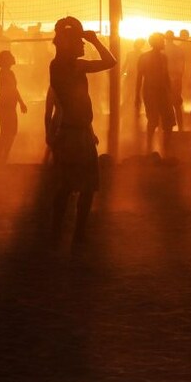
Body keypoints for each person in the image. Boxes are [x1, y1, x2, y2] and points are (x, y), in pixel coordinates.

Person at [47, 17, 115, 246]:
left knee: (74, 187)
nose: (83, 45)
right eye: (80, 42)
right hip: (74, 134)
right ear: (68, 42)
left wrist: (90, 128)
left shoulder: (61, 64)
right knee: (77, 187)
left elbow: (78, 104)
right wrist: (95, 40)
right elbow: (110, 61)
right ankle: (72, 234)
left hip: (78, 132)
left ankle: (63, 233)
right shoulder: (72, 65)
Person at [136, 33, 175, 155]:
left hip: (162, 92)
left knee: (168, 122)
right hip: (150, 92)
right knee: (153, 120)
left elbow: (166, 75)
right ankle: (149, 148)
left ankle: (166, 149)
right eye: (162, 41)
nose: (164, 43)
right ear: (156, 43)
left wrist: (171, 93)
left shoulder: (164, 57)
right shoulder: (144, 57)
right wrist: (136, 96)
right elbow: (139, 77)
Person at [0, 50, 27, 164]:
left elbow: (14, 89)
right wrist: (21, 103)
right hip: (5, 106)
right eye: (10, 57)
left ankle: (3, 157)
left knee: (10, 133)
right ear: (5, 60)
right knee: (7, 133)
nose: (13, 58)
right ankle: (1, 157)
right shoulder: (4, 73)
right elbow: (12, 89)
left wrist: (21, 103)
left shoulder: (8, 72)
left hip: (8, 106)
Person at [164, 30, 186, 130]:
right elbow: (182, 66)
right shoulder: (179, 49)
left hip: (165, 80)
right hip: (176, 79)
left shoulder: (162, 49)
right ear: (173, 37)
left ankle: (165, 128)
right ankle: (181, 128)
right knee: (177, 105)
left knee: (164, 105)